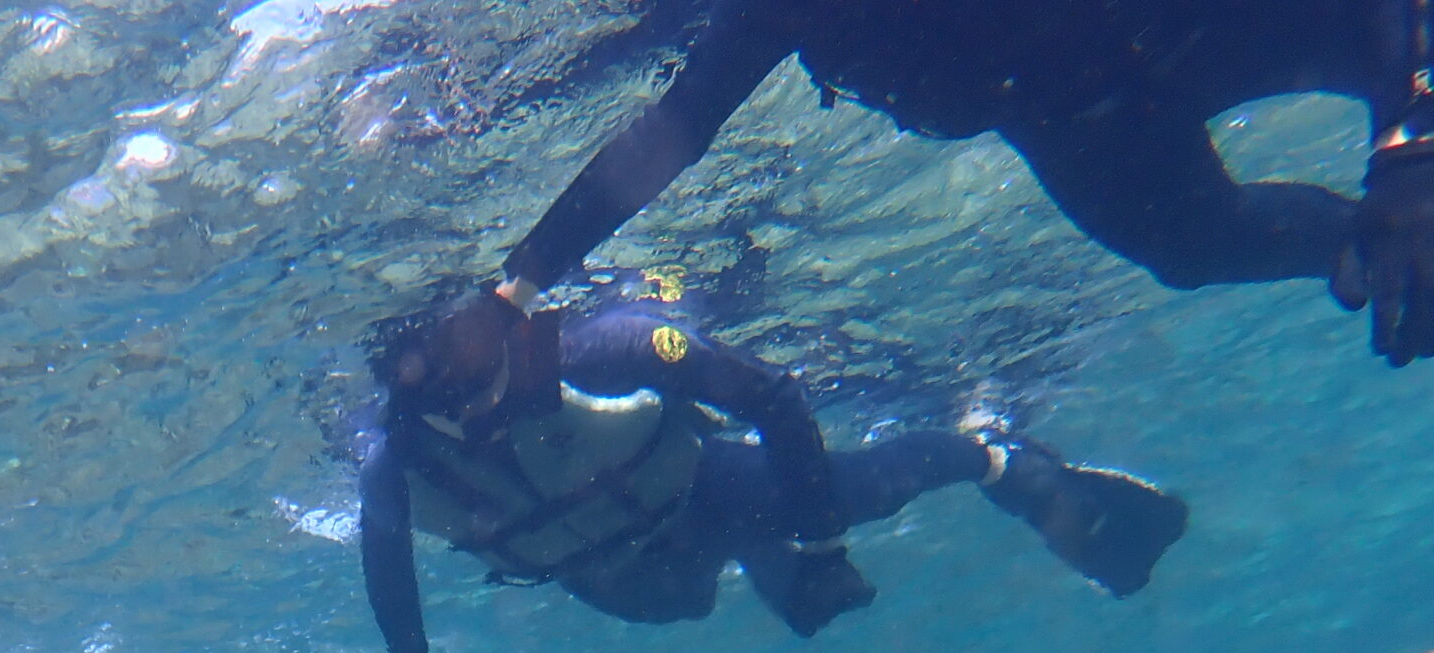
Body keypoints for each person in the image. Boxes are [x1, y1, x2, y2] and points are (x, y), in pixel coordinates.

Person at [358, 288, 1187, 653]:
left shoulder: (607, 349)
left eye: (470, 371)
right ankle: (761, 553)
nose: (468, 411)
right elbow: (384, 556)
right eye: (434, 394)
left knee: (843, 494)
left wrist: (824, 546)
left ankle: (995, 454)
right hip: (617, 565)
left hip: (696, 483)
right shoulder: (396, 460)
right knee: (684, 603)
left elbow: (774, 395)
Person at [498, 0, 1434, 367]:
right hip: (1073, 116)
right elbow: (673, 129)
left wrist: (1410, 152)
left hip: (1186, 23)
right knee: (1195, 248)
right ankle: (1368, 255)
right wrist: (519, 287)